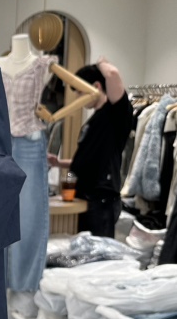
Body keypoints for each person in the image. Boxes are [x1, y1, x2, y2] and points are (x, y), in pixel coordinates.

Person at [47, 58, 133, 238]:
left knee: (98, 249)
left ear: (96, 86)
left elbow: (112, 73)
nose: (78, 98)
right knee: (83, 247)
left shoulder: (115, 113)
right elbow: (89, 159)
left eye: (80, 92)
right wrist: (59, 163)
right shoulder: (93, 121)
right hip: (85, 195)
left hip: (101, 198)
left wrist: (100, 63)